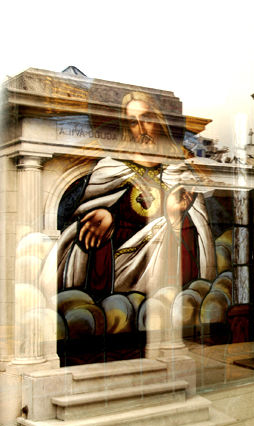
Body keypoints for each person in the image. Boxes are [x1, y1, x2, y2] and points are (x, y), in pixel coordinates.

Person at [44, 91, 216, 300]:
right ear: (126, 129)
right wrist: (105, 216)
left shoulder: (180, 175)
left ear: (159, 122)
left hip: (168, 283)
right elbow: (74, 233)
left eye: (147, 119)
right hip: (114, 283)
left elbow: (199, 239)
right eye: (133, 123)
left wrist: (176, 218)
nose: (142, 129)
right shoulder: (108, 170)